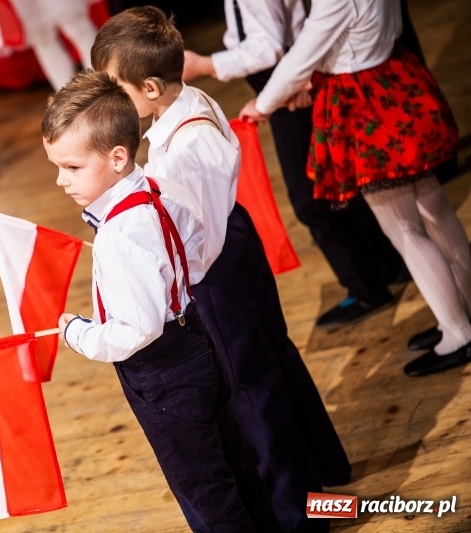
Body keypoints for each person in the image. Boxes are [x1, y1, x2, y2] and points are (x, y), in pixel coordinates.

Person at [92, 7, 350, 531]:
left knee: (252, 389)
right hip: (228, 246)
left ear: (148, 87)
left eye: (114, 86)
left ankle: (300, 516)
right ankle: (318, 475)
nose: (110, 99)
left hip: (214, 269)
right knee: (268, 366)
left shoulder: (184, 145)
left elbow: (195, 234)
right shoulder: (178, 109)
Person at [45, 69, 281, 532]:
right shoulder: (156, 185)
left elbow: (136, 330)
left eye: (71, 167)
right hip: (196, 338)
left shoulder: (117, 235)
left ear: (116, 157)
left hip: (160, 369)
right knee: (233, 462)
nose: (60, 181)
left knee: (203, 488)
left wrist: (78, 333)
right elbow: (195, 240)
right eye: (57, 167)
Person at [239, 0, 471, 377]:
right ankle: (461, 313)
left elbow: (306, 50)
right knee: (434, 208)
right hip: (393, 76)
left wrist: (264, 104)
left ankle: (458, 332)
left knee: (405, 229)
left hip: (364, 99)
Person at [182, 0, 410, 329]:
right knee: (331, 186)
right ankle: (385, 267)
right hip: (290, 81)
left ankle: (368, 286)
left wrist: (205, 64)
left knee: (313, 199)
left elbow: (268, 48)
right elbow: (252, 34)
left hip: (292, 87)